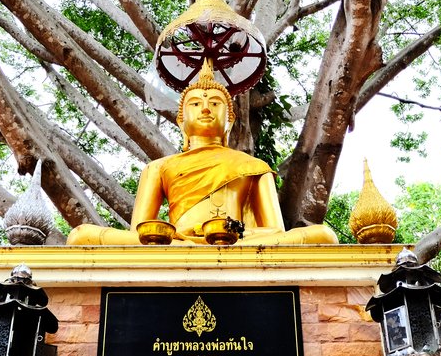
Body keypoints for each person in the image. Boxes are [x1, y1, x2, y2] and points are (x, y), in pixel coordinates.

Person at [66, 63, 337, 246]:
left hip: (234, 242)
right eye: (196, 103)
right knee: (80, 235)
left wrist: (234, 232)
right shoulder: (159, 167)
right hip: (174, 243)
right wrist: (181, 237)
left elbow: (275, 230)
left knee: (323, 235)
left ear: (229, 121)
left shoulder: (253, 166)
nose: (205, 108)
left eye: (215, 103)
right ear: (181, 121)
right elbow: (139, 234)